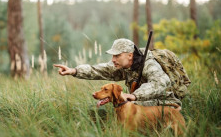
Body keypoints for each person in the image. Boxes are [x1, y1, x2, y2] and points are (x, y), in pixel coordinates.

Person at [53, 38, 182, 107]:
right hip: (143, 103)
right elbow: (99, 70)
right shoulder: (123, 66)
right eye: (112, 56)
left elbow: (160, 83)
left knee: (128, 105)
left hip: (166, 103)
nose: (113, 60)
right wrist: (74, 71)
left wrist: (133, 96)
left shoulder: (149, 64)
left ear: (130, 55)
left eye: (117, 56)